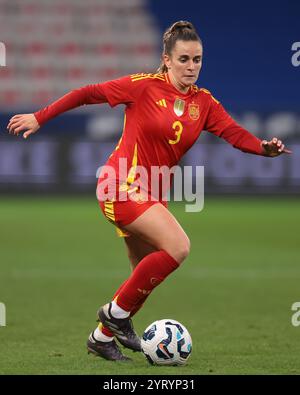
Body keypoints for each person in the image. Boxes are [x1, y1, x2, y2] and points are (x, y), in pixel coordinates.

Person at [7, 21, 291, 362]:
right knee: (178, 247)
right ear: (166, 60)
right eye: (184, 59)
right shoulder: (143, 87)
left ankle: (101, 337)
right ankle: (114, 315)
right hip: (120, 185)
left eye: (197, 59)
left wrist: (264, 148)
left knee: (142, 275)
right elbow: (88, 93)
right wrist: (40, 116)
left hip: (152, 193)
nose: (191, 66)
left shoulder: (204, 103)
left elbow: (233, 133)